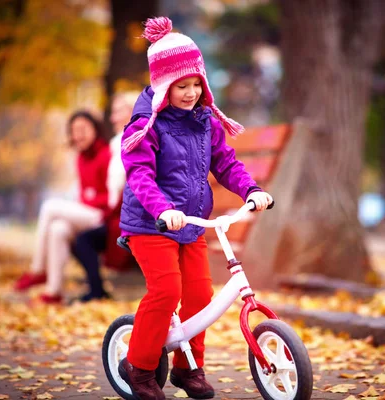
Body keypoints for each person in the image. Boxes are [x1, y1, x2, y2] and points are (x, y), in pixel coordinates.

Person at [117, 17, 273, 400]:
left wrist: (251, 189)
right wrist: (162, 210)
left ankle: (188, 369)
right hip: (150, 225)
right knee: (166, 289)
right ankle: (139, 368)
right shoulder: (145, 125)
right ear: (161, 87)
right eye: (180, 86)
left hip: (191, 224)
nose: (189, 93)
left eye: (196, 85)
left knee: (200, 295)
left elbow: (225, 163)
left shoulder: (206, 122)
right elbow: (139, 175)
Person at [14, 111, 111, 304]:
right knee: (58, 229)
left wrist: (89, 198)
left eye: (83, 129)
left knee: (50, 206)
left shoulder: (106, 154)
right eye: (74, 131)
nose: (78, 135)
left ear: (95, 130)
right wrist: (88, 197)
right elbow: (85, 193)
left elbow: (111, 198)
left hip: (104, 216)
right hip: (89, 212)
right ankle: (53, 290)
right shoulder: (81, 159)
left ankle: (38, 269)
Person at [71, 92, 138, 303]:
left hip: (125, 217)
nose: (113, 117)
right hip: (116, 215)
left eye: (119, 111)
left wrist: (105, 211)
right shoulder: (116, 142)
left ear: (133, 112)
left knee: (81, 240)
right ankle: (95, 289)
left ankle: (96, 289)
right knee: (64, 231)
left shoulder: (130, 141)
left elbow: (128, 187)